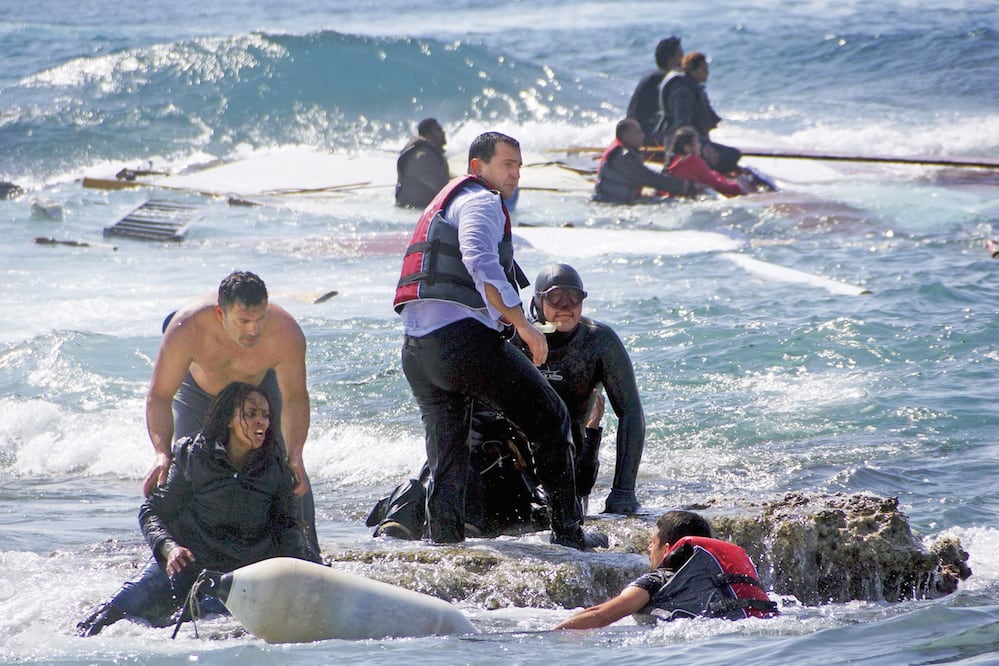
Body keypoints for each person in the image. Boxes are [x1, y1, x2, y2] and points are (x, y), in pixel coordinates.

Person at [393, 130, 605, 550]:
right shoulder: (481, 200)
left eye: (520, 166)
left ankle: (445, 542)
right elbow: (479, 258)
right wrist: (521, 324)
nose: (516, 174)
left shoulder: (449, 201)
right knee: (551, 418)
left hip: (418, 351)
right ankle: (568, 534)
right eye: (507, 165)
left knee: (449, 454)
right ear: (478, 168)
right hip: (461, 343)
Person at [368, 263, 646, 538]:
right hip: (505, 459)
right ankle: (403, 517)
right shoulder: (516, 337)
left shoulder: (598, 341)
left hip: (562, 469)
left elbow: (631, 412)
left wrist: (623, 492)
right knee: (467, 455)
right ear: (537, 301)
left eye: (574, 297)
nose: (566, 306)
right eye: (555, 297)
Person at [78, 382, 322, 636]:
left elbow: (287, 530)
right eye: (250, 414)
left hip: (236, 576)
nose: (261, 422)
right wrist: (170, 549)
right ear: (228, 419)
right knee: (111, 613)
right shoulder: (192, 455)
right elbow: (152, 512)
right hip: (183, 565)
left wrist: (305, 577)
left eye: (265, 415)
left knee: (195, 622)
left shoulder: (275, 469)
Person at [144, 270, 319, 555]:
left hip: (259, 389)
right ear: (219, 313)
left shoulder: (285, 332)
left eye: (259, 319)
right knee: (184, 468)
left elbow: (296, 398)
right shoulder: (186, 327)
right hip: (200, 395)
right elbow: (160, 396)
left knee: (287, 471)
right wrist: (161, 452)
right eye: (243, 321)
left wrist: (296, 453)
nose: (253, 330)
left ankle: (307, 556)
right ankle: (177, 558)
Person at [554, 510, 778, 630]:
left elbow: (602, 614)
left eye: (653, 542)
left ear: (668, 549)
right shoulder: (724, 578)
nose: (649, 548)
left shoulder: (660, 578)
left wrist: (553, 636)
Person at [655, 52, 742, 174]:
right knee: (731, 155)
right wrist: (704, 145)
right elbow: (682, 126)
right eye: (704, 69)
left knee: (733, 154)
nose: (707, 72)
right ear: (693, 70)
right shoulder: (683, 92)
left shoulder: (693, 88)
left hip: (697, 142)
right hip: (684, 147)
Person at [593, 118, 691, 203]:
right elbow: (651, 178)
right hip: (611, 203)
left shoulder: (622, 152)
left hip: (614, 201)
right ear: (625, 136)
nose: (643, 136)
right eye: (638, 132)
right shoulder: (624, 157)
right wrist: (686, 186)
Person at [625, 36, 683, 145]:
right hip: (644, 136)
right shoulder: (666, 79)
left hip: (633, 132)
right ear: (671, 60)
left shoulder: (653, 76)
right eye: (681, 55)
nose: (684, 60)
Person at [666, 126, 748, 197]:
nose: (700, 145)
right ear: (687, 147)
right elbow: (715, 184)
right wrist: (737, 188)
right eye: (697, 142)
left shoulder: (675, 159)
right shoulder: (694, 161)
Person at [395, 118, 451, 209]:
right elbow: (443, 189)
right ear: (428, 134)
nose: (443, 133)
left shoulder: (428, 152)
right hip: (413, 210)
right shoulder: (423, 157)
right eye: (438, 130)